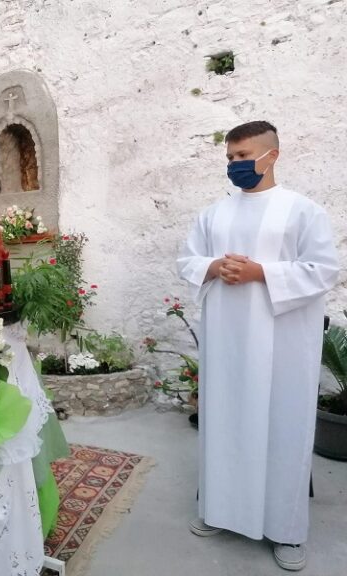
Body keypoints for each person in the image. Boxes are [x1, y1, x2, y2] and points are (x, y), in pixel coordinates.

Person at [177, 120, 339, 571]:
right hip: (228, 342)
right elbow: (187, 259)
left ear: (271, 156)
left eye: (243, 156)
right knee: (226, 422)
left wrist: (260, 273)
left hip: (283, 345)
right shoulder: (214, 214)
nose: (235, 165)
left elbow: (324, 269)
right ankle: (219, 509)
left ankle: (287, 530)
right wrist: (214, 266)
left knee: (282, 427)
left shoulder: (302, 211)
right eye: (230, 158)